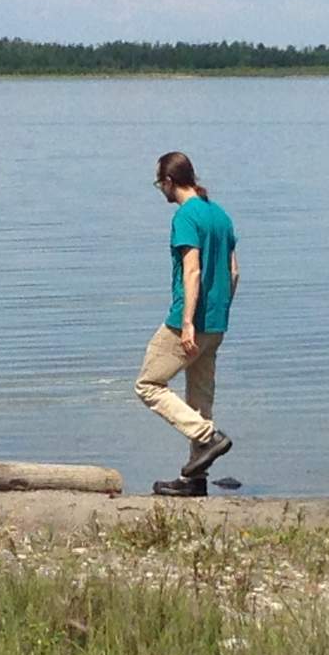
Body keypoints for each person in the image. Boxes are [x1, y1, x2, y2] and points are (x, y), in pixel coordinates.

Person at [134, 152, 239, 497]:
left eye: (159, 184)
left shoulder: (186, 217)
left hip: (188, 322)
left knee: (148, 384)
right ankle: (195, 480)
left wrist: (188, 322)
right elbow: (234, 272)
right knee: (199, 399)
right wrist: (220, 312)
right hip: (217, 322)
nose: (160, 190)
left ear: (169, 181)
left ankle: (208, 437)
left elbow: (192, 270)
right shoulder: (220, 216)